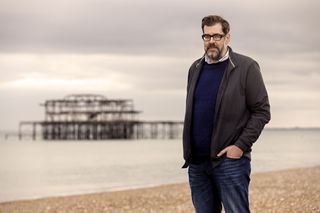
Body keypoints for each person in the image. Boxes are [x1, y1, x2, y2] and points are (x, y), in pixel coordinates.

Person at [182, 15, 271, 213]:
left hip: (229, 163)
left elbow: (262, 111)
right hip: (197, 164)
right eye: (206, 36)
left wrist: (240, 146)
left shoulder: (246, 67)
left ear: (227, 37)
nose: (211, 41)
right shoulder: (195, 68)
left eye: (217, 36)